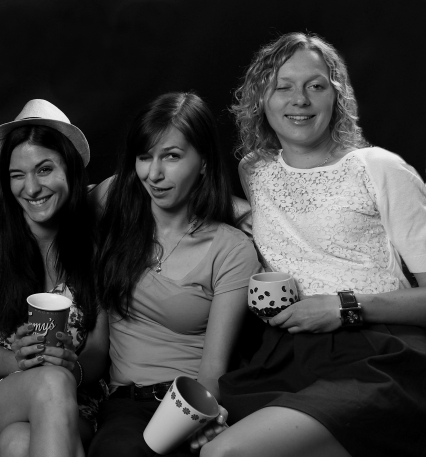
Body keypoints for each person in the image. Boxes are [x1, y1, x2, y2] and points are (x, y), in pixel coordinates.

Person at [196, 33, 426, 457]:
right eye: (282, 86)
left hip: (376, 352)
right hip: (285, 357)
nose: (299, 99)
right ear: (261, 100)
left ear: (336, 97)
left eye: (316, 86)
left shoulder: (381, 169)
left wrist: (343, 307)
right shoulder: (255, 171)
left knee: (223, 453)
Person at [86, 92, 259, 456]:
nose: (154, 174)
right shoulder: (115, 209)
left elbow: (213, 368)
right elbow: (50, 196)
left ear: (204, 162)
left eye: (172, 156)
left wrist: (202, 416)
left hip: (189, 402)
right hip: (126, 404)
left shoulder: (232, 249)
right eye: (144, 157)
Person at [0, 99, 108, 457]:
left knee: (19, 444)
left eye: (44, 169)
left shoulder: (94, 247)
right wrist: (20, 361)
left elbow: (98, 351)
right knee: (50, 382)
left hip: (75, 400)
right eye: (17, 175)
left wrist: (72, 366)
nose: (32, 188)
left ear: (71, 170)